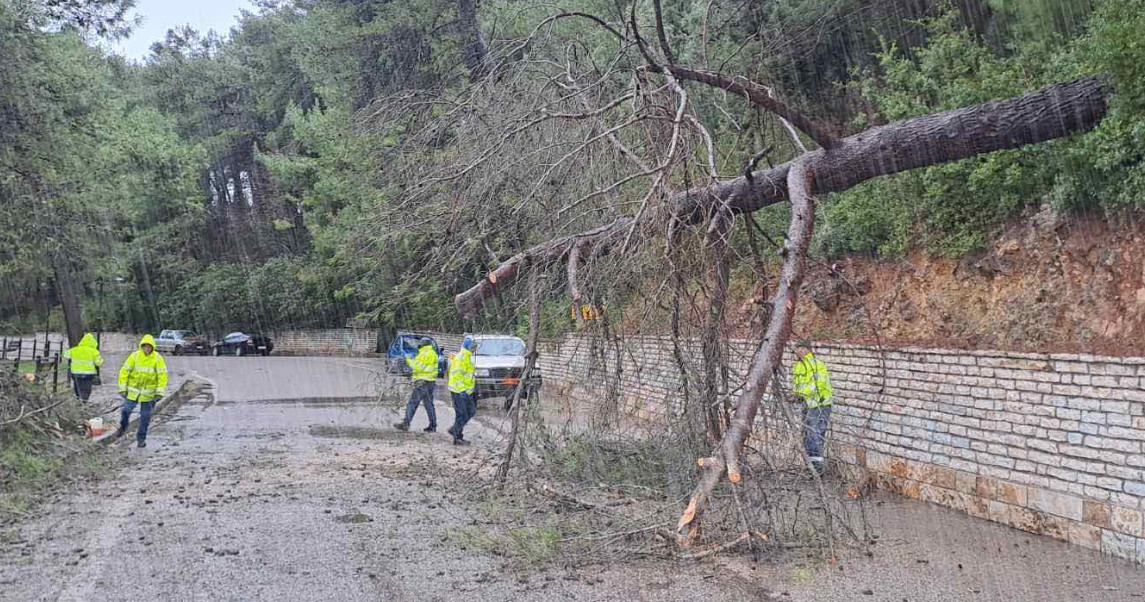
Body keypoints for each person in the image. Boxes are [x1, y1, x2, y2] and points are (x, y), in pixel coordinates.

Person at [115, 334, 168, 448]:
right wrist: (122, 389)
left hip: (149, 395)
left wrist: (159, 392)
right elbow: (124, 372)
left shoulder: (157, 358)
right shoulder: (134, 356)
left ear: (152, 347)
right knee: (125, 411)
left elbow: (162, 376)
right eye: (145, 346)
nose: (147, 349)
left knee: (145, 417)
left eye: (149, 347)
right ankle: (123, 427)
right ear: (142, 346)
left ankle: (141, 439)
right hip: (133, 392)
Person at [791, 341, 834, 475]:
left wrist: (800, 394)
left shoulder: (817, 365)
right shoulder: (798, 366)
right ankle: (811, 466)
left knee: (815, 436)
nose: (794, 352)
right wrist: (795, 395)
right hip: (807, 404)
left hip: (819, 405)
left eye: (797, 349)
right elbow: (798, 385)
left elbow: (817, 385)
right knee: (807, 437)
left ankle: (818, 469)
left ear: (804, 350)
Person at [394, 338, 439, 433]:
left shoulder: (424, 354)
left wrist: (409, 359)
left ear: (422, 344)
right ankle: (433, 425)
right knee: (429, 404)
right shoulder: (432, 353)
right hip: (430, 381)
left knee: (412, 403)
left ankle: (405, 424)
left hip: (422, 382)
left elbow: (418, 367)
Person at [447, 337, 477, 445]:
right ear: (468, 346)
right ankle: (456, 434)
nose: (474, 349)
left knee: (467, 413)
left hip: (464, 391)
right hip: (459, 391)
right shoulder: (462, 357)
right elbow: (457, 376)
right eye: (473, 346)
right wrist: (462, 390)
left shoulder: (467, 357)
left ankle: (456, 434)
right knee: (463, 414)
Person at [64, 333, 103, 402]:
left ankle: (78, 399)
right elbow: (99, 363)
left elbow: (65, 355)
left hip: (76, 372)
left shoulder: (75, 349)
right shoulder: (94, 351)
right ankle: (84, 401)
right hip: (89, 373)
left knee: (77, 387)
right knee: (86, 388)